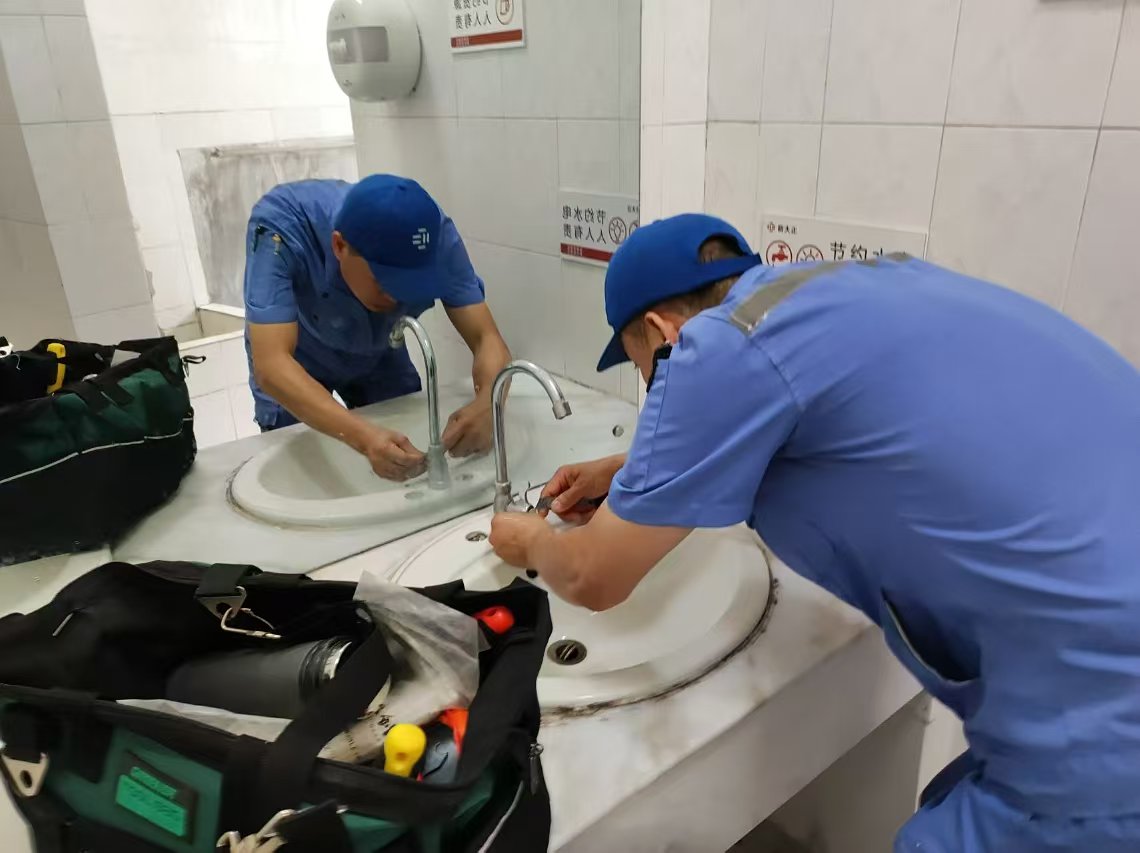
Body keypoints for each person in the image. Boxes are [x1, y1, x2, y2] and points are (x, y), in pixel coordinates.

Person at [488, 213, 1140, 851]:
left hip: (1102, 705)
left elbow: (594, 577)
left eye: (642, 368)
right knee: (944, 804)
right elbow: (803, 417)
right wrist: (628, 471)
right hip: (1099, 645)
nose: (650, 385)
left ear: (662, 331)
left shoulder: (716, 345)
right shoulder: (851, 288)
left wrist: (530, 541)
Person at [242, 175, 510, 480]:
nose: (396, 298)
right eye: (384, 284)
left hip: (379, 350)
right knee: (297, 469)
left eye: (411, 286)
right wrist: (362, 437)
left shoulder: (433, 238)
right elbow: (272, 364)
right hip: (298, 360)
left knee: (404, 452)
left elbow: (486, 337)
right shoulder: (282, 227)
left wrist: (490, 403)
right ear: (339, 246)